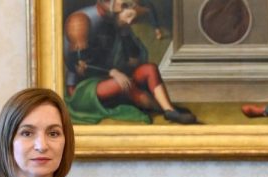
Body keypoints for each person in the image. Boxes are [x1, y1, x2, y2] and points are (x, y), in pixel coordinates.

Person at [64, 0, 196, 125]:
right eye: (127, 14)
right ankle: (164, 109)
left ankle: (168, 109)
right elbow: (78, 64)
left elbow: (134, 61)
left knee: (149, 69)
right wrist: (113, 72)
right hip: (82, 88)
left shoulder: (116, 23)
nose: (130, 21)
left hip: (108, 78)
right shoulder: (80, 21)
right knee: (125, 84)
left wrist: (125, 34)